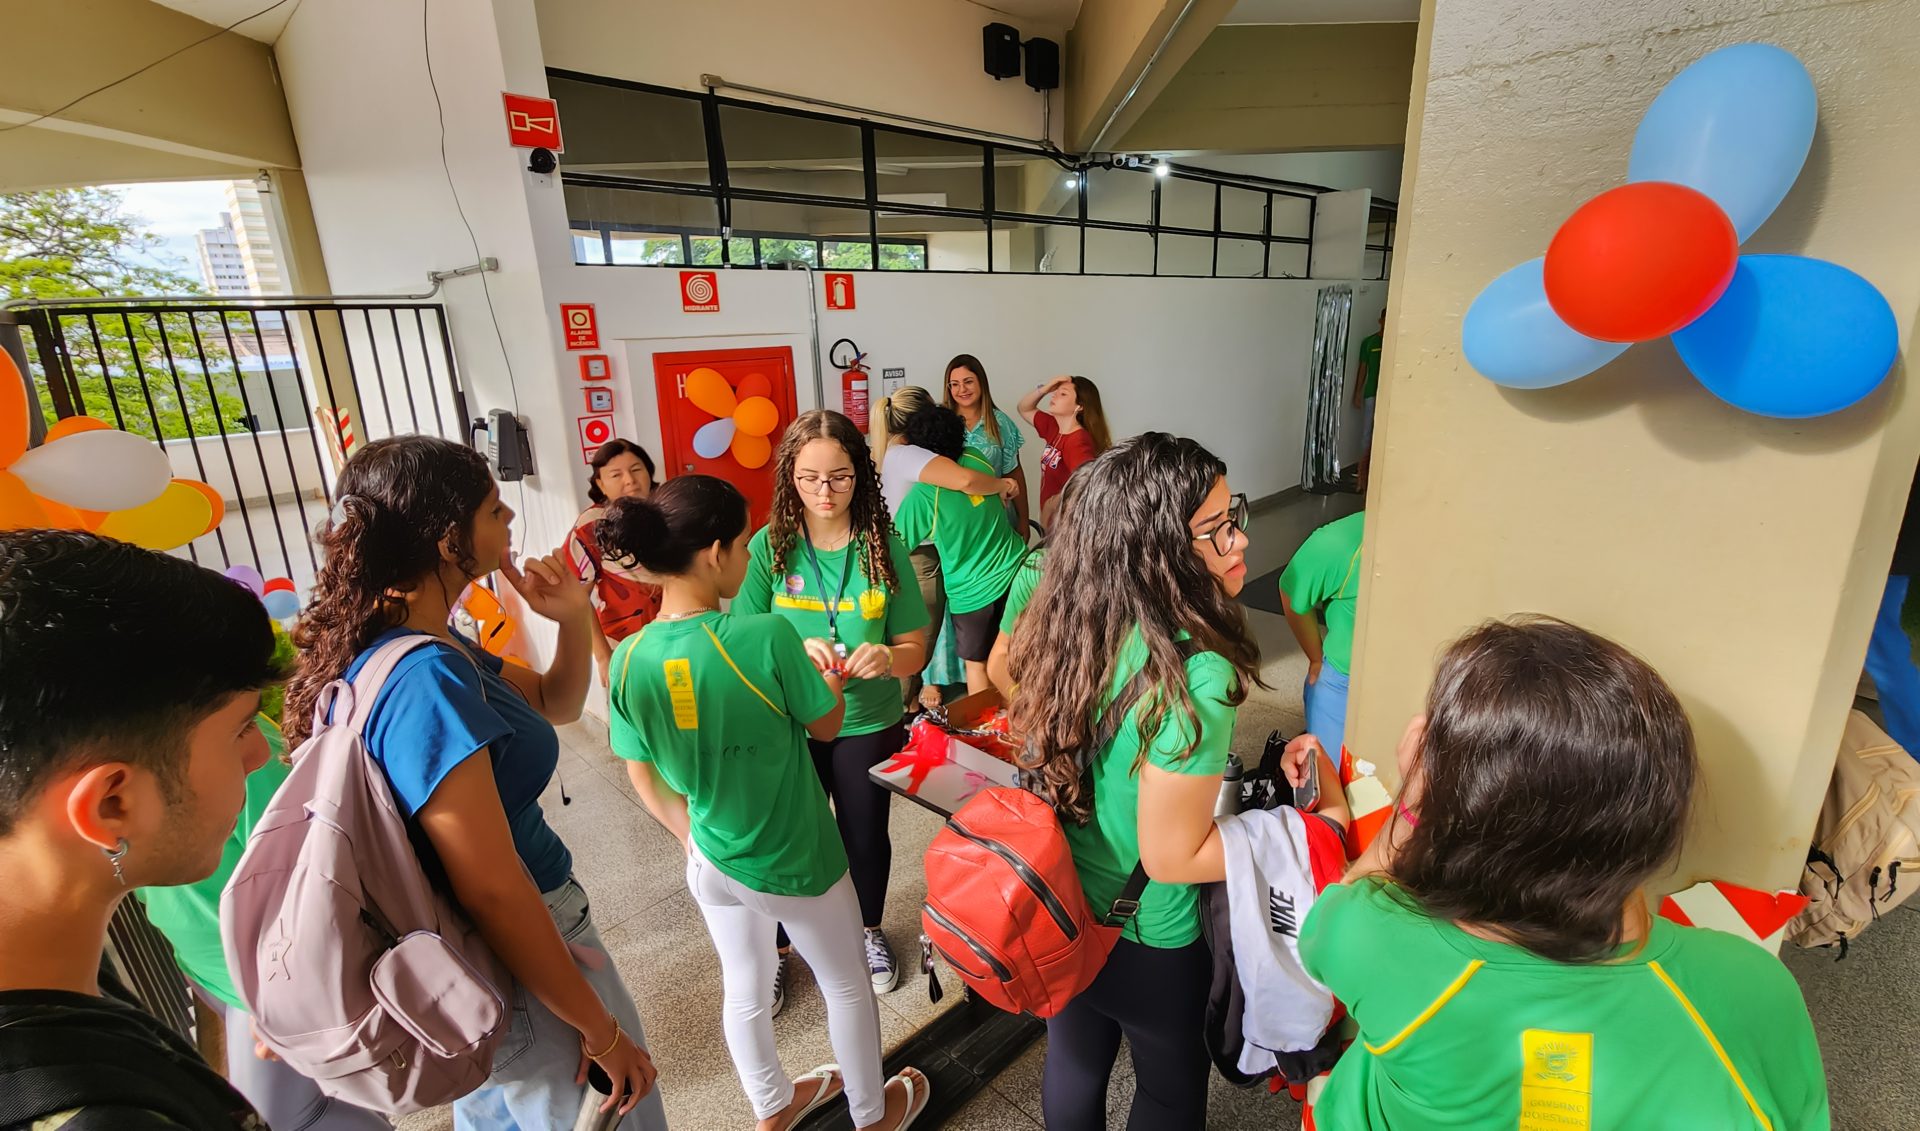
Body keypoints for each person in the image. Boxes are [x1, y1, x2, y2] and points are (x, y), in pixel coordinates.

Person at [1299, 617, 1831, 1130]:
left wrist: (1413, 805)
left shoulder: (1379, 943)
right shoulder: (1754, 987)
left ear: (1462, 820)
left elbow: (1335, 913)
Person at [285, 435, 664, 1130]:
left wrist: (574, 615)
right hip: (520, 953)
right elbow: (491, 885)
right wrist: (600, 1029)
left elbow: (550, 699)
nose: (510, 521)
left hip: (489, 955)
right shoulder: (425, 675)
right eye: (493, 510)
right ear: (445, 536)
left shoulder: (427, 639)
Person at [599, 477, 931, 1131]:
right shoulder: (766, 635)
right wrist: (826, 678)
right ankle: (873, 1112)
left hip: (710, 858)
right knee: (844, 985)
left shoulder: (629, 654)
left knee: (745, 985)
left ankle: (771, 1105)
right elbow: (829, 726)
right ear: (715, 550)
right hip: (793, 856)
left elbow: (640, 772)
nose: (751, 558)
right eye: (744, 544)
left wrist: (689, 835)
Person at [1009, 433, 1260, 1131]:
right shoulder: (1199, 675)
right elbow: (1172, 856)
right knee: (1170, 1088)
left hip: (1063, 909)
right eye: (1216, 529)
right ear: (1159, 552)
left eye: (1231, 515)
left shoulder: (1071, 624)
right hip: (1149, 935)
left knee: (1076, 1060)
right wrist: (1295, 834)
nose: (1240, 541)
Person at [0, 530, 281, 1130]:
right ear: (112, 804)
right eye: (239, 730)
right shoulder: (105, 1115)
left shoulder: (60, 980)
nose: (259, 754)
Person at [735, 410, 931, 1009]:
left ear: (861, 476)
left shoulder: (884, 547)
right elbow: (739, 638)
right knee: (783, 837)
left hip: (864, 719)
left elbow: (915, 649)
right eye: (810, 477)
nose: (824, 492)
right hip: (786, 722)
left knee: (863, 835)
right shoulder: (772, 547)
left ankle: (867, 932)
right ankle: (777, 950)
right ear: (789, 477)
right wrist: (790, 646)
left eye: (840, 477)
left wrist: (886, 660)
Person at [138, 712, 391, 1131]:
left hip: (265, 978)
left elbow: (309, 874)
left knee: (287, 1117)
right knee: (319, 1097)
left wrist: (278, 990)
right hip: (214, 973)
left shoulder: (244, 749)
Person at [870, 385, 1017, 708]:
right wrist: (1004, 485)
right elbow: (967, 482)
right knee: (1008, 657)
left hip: (971, 590)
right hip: (1013, 570)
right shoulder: (974, 461)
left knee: (972, 662)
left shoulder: (922, 490)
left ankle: (981, 731)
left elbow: (898, 539)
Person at [931, 355, 1029, 697]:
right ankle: (942, 676)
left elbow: (1015, 474)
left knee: (1005, 606)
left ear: (981, 383)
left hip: (997, 524)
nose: (961, 390)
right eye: (954, 384)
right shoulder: (943, 424)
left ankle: (1004, 672)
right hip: (958, 528)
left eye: (968, 382)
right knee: (960, 598)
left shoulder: (1000, 424)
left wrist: (1024, 520)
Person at [567, 438, 664, 687]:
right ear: (600, 483)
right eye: (616, 474)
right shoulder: (590, 527)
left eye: (636, 469)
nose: (630, 480)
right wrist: (603, 657)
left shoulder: (671, 511)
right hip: (624, 643)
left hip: (679, 634)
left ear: (648, 470)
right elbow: (576, 596)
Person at [1279, 510, 1364, 766]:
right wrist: (1315, 658)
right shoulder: (1341, 541)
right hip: (1343, 683)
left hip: (1426, 687)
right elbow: (1292, 592)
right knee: (1327, 787)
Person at [1863, 465, 1920, 757]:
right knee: (1880, 636)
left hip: (1892, 525)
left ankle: (1915, 749)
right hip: (1897, 525)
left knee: (1878, 637)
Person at [1017, 374, 1111, 529]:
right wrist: (1046, 388)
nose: (1055, 395)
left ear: (1080, 406)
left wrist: (1052, 504)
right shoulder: (1054, 427)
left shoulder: (1077, 441)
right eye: (1056, 392)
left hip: (1068, 528)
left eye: (1063, 394)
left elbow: (1086, 484)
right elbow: (1024, 408)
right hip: (1053, 525)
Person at [1351, 308, 1385, 492]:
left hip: (1388, 395)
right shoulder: (1370, 342)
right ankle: (1361, 478)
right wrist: (1357, 392)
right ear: (1380, 321)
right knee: (1367, 434)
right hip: (1372, 393)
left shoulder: (1396, 343)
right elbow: (1362, 369)